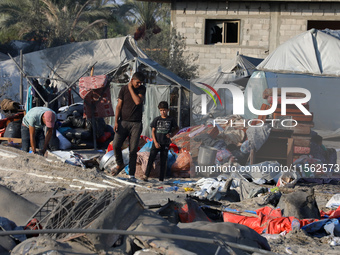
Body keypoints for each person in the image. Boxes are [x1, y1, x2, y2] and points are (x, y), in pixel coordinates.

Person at [111, 72, 146, 181]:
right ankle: (120, 164)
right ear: (132, 80)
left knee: (132, 150)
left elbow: (137, 101)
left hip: (136, 124)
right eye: (137, 82)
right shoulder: (123, 89)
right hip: (123, 122)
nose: (139, 84)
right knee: (116, 145)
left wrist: (131, 88)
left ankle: (131, 174)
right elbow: (119, 106)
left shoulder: (141, 89)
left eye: (141, 82)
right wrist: (116, 121)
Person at [143, 101, 179, 182]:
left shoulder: (171, 119)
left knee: (163, 161)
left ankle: (161, 178)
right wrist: (155, 142)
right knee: (151, 159)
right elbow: (153, 131)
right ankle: (146, 176)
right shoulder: (157, 119)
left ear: (168, 110)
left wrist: (171, 135)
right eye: (161, 110)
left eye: (164, 110)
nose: (163, 112)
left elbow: (177, 128)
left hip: (165, 143)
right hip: (156, 143)